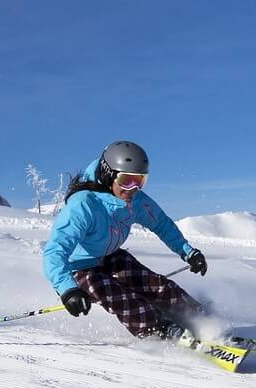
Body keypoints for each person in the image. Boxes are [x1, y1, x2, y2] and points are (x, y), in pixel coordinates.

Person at [42, 139, 209, 338]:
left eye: (140, 181)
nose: (132, 188)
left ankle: (201, 320)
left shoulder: (135, 201)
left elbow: (162, 224)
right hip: (77, 267)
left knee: (155, 285)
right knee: (121, 297)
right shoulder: (83, 205)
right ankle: (160, 331)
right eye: (126, 180)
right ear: (108, 174)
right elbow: (55, 251)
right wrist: (67, 289)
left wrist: (188, 252)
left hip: (110, 256)